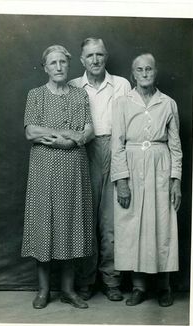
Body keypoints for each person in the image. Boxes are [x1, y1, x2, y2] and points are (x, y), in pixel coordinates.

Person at [21, 45, 95, 310]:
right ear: (45, 67)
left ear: (69, 64)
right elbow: (31, 131)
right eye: (53, 63)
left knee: (71, 226)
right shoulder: (36, 95)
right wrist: (65, 133)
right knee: (45, 223)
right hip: (44, 169)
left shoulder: (80, 95)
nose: (59, 67)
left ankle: (68, 290)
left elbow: (87, 131)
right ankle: (43, 291)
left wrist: (71, 140)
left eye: (63, 62)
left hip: (74, 168)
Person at [111, 53, 182, 307]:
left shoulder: (167, 103)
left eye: (148, 69)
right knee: (134, 227)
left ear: (155, 72)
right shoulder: (121, 102)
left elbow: (175, 146)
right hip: (131, 167)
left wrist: (176, 180)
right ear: (133, 74)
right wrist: (121, 180)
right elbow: (116, 144)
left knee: (162, 225)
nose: (144, 74)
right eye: (139, 70)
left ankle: (164, 286)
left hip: (160, 167)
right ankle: (139, 286)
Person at [69, 38, 131, 301]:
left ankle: (111, 280)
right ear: (82, 60)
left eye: (99, 55)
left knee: (111, 222)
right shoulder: (73, 86)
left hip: (116, 150)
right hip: (84, 152)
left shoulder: (122, 85)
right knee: (85, 220)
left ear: (106, 57)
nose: (95, 60)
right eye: (90, 56)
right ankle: (85, 280)